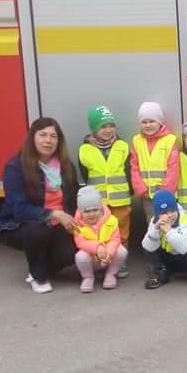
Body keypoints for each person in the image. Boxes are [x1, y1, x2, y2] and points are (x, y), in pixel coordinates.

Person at [0, 117, 79, 294]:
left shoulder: (65, 166)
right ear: (32, 137)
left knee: (74, 250)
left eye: (53, 136)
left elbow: (75, 198)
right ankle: (38, 276)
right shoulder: (16, 167)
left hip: (57, 224)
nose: (48, 140)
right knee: (38, 230)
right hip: (18, 224)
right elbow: (18, 209)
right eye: (42, 135)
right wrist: (55, 214)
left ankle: (43, 265)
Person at [78, 105, 132, 279]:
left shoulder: (123, 146)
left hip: (120, 200)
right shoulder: (84, 149)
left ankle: (119, 261)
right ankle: (100, 259)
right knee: (99, 231)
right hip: (98, 203)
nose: (108, 130)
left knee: (121, 232)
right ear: (94, 129)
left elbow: (129, 171)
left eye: (111, 125)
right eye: (103, 126)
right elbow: (85, 175)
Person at [142, 190, 187, 292]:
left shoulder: (185, 219)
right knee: (148, 242)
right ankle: (160, 274)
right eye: (164, 213)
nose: (169, 215)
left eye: (172, 210)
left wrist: (168, 230)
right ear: (157, 213)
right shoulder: (155, 221)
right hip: (169, 259)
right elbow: (148, 247)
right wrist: (155, 229)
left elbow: (184, 247)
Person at [130, 102, 179, 221]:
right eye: (144, 122)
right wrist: (141, 189)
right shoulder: (136, 141)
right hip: (147, 196)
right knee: (152, 224)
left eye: (152, 121)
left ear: (160, 122)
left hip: (167, 196)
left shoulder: (170, 140)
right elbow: (134, 167)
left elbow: (173, 169)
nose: (148, 125)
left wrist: (165, 193)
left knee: (169, 224)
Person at [72, 186, 127, 293]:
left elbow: (115, 239)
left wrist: (108, 253)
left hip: (108, 257)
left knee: (122, 251)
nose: (91, 214)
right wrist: (97, 248)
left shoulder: (111, 220)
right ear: (80, 212)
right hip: (91, 258)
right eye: (87, 211)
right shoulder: (77, 224)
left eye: (95, 210)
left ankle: (111, 274)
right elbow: (81, 243)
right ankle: (88, 277)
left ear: (101, 208)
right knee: (80, 256)